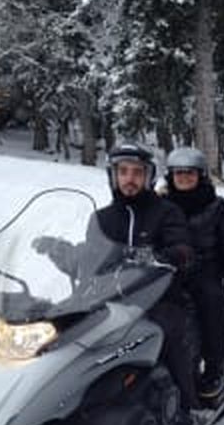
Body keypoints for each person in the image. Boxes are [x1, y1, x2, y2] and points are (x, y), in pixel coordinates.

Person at [34, 143, 202, 410]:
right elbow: (88, 259)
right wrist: (57, 249)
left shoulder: (167, 212)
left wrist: (162, 257)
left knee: (170, 333)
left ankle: (188, 405)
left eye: (137, 172)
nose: (130, 179)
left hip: (157, 298)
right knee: (49, 331)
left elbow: (182, 248)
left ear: (149, 177)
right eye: (123, 172)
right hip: (104, 298)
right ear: (113, 175)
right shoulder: (102, 218)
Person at [164, 147, 224, 400]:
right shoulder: (162, 205)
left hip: (205, 269)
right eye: (178, 174)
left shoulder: (216, 206)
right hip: (168, 270)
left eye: (189, 173)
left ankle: (214, 365)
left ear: (201, 175)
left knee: (212, 303)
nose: (184, 178)